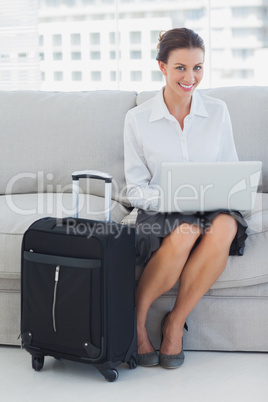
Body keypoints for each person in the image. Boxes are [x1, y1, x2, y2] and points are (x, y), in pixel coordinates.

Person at [123, 27, 248, 369]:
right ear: (162, 67)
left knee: (224, 227)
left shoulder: (218, 111)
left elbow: (230, 169)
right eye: (180, 67)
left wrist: (227, 193)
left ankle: (174, 323)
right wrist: (172, 201)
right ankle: (135, 323)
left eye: (197, 68)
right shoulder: (137, 119)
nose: (190, 77)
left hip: (210, 203)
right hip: (162, 207)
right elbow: (135, 189)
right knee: (186, 232)